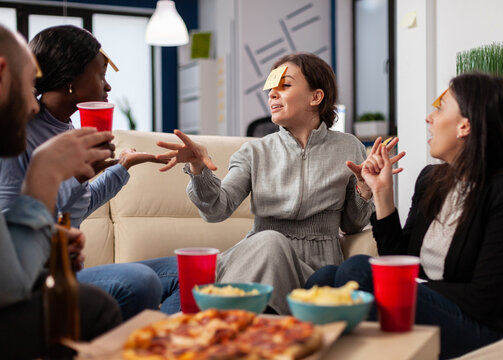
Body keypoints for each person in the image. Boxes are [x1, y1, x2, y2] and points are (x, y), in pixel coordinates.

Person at [306, 72, 503, 359]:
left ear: (465, 125)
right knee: (326, 277)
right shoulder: (432, 179)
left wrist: (407, 286)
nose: (429, 118)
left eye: (440, 108)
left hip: (483, 326)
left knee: (359, 272)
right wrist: (382, 193)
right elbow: (400, 256)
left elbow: (487, 298)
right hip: (432, 304)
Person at [155, 52, 405, 314]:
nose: (272, 94)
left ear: (315, 97)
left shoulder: (348, 146)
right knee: (271, 242)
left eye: (284, 86)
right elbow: (217, 209)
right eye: (271, 88)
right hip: (261, 258)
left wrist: (364, 190)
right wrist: (197, 169)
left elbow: (352, 225)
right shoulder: (253, 151)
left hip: (316, 270)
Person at [0, 25, 179, 319]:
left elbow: (76, 205)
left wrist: (123, 167)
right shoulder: (17, 134)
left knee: (181, 271)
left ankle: (169, 345)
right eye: (101, 75)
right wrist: (63, 179)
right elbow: (12, 234)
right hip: (36, 278)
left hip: (54, 271)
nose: (108, 87)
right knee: (140, 281)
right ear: (71, 79)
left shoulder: (68, 129)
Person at [0, 24, 122, 358]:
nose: (34, 105)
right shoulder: (29, 141)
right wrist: (45, 175)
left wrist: (46, 237)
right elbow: (10, 285)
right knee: (93, 306)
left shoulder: (67, 132)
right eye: (28, 86)